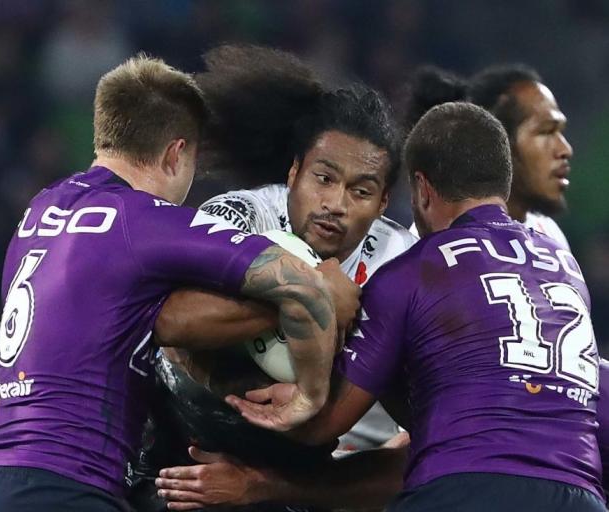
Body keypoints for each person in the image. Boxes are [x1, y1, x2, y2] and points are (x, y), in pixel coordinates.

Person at [0, 54, 339, 512]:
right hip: (68, 487)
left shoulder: (39, 210)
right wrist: (309, 397)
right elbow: (301, 284)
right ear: (175, 154)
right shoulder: (143, 221)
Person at [221, 102, 604, 511]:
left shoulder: (415, 271)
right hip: (580, 494)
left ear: (421, 189)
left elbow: (323, 424)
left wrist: (275, 401)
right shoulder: (565, 267)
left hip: (463, 490)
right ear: (503, 185)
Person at [128, 44, 415, 512]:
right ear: (294, 172)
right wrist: (310, 295)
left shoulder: (401, 261)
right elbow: (173, 326)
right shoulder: (240, 217)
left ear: (383, 203)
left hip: (323, 470)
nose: (336, 205)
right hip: (189, 444)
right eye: (323, 178)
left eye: (360, 191)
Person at [405, 64, 573, 248]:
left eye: (560, 132)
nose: (565, 149)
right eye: (546, 131)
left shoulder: (549, 234)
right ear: (499, 143)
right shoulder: (431, 242)